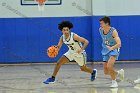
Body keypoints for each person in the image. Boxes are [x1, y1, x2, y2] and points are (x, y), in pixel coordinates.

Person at [99, 16, 124, 88]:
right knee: (106, 72)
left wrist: (112, 48)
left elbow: (119, 44)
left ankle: (114, 82)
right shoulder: (100, 30)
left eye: (102, 23)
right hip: (105, 49)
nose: (100, 25)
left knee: (109, 66)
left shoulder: (113, 31)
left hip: (114, 48)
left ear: (107, 23)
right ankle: (118, 73)